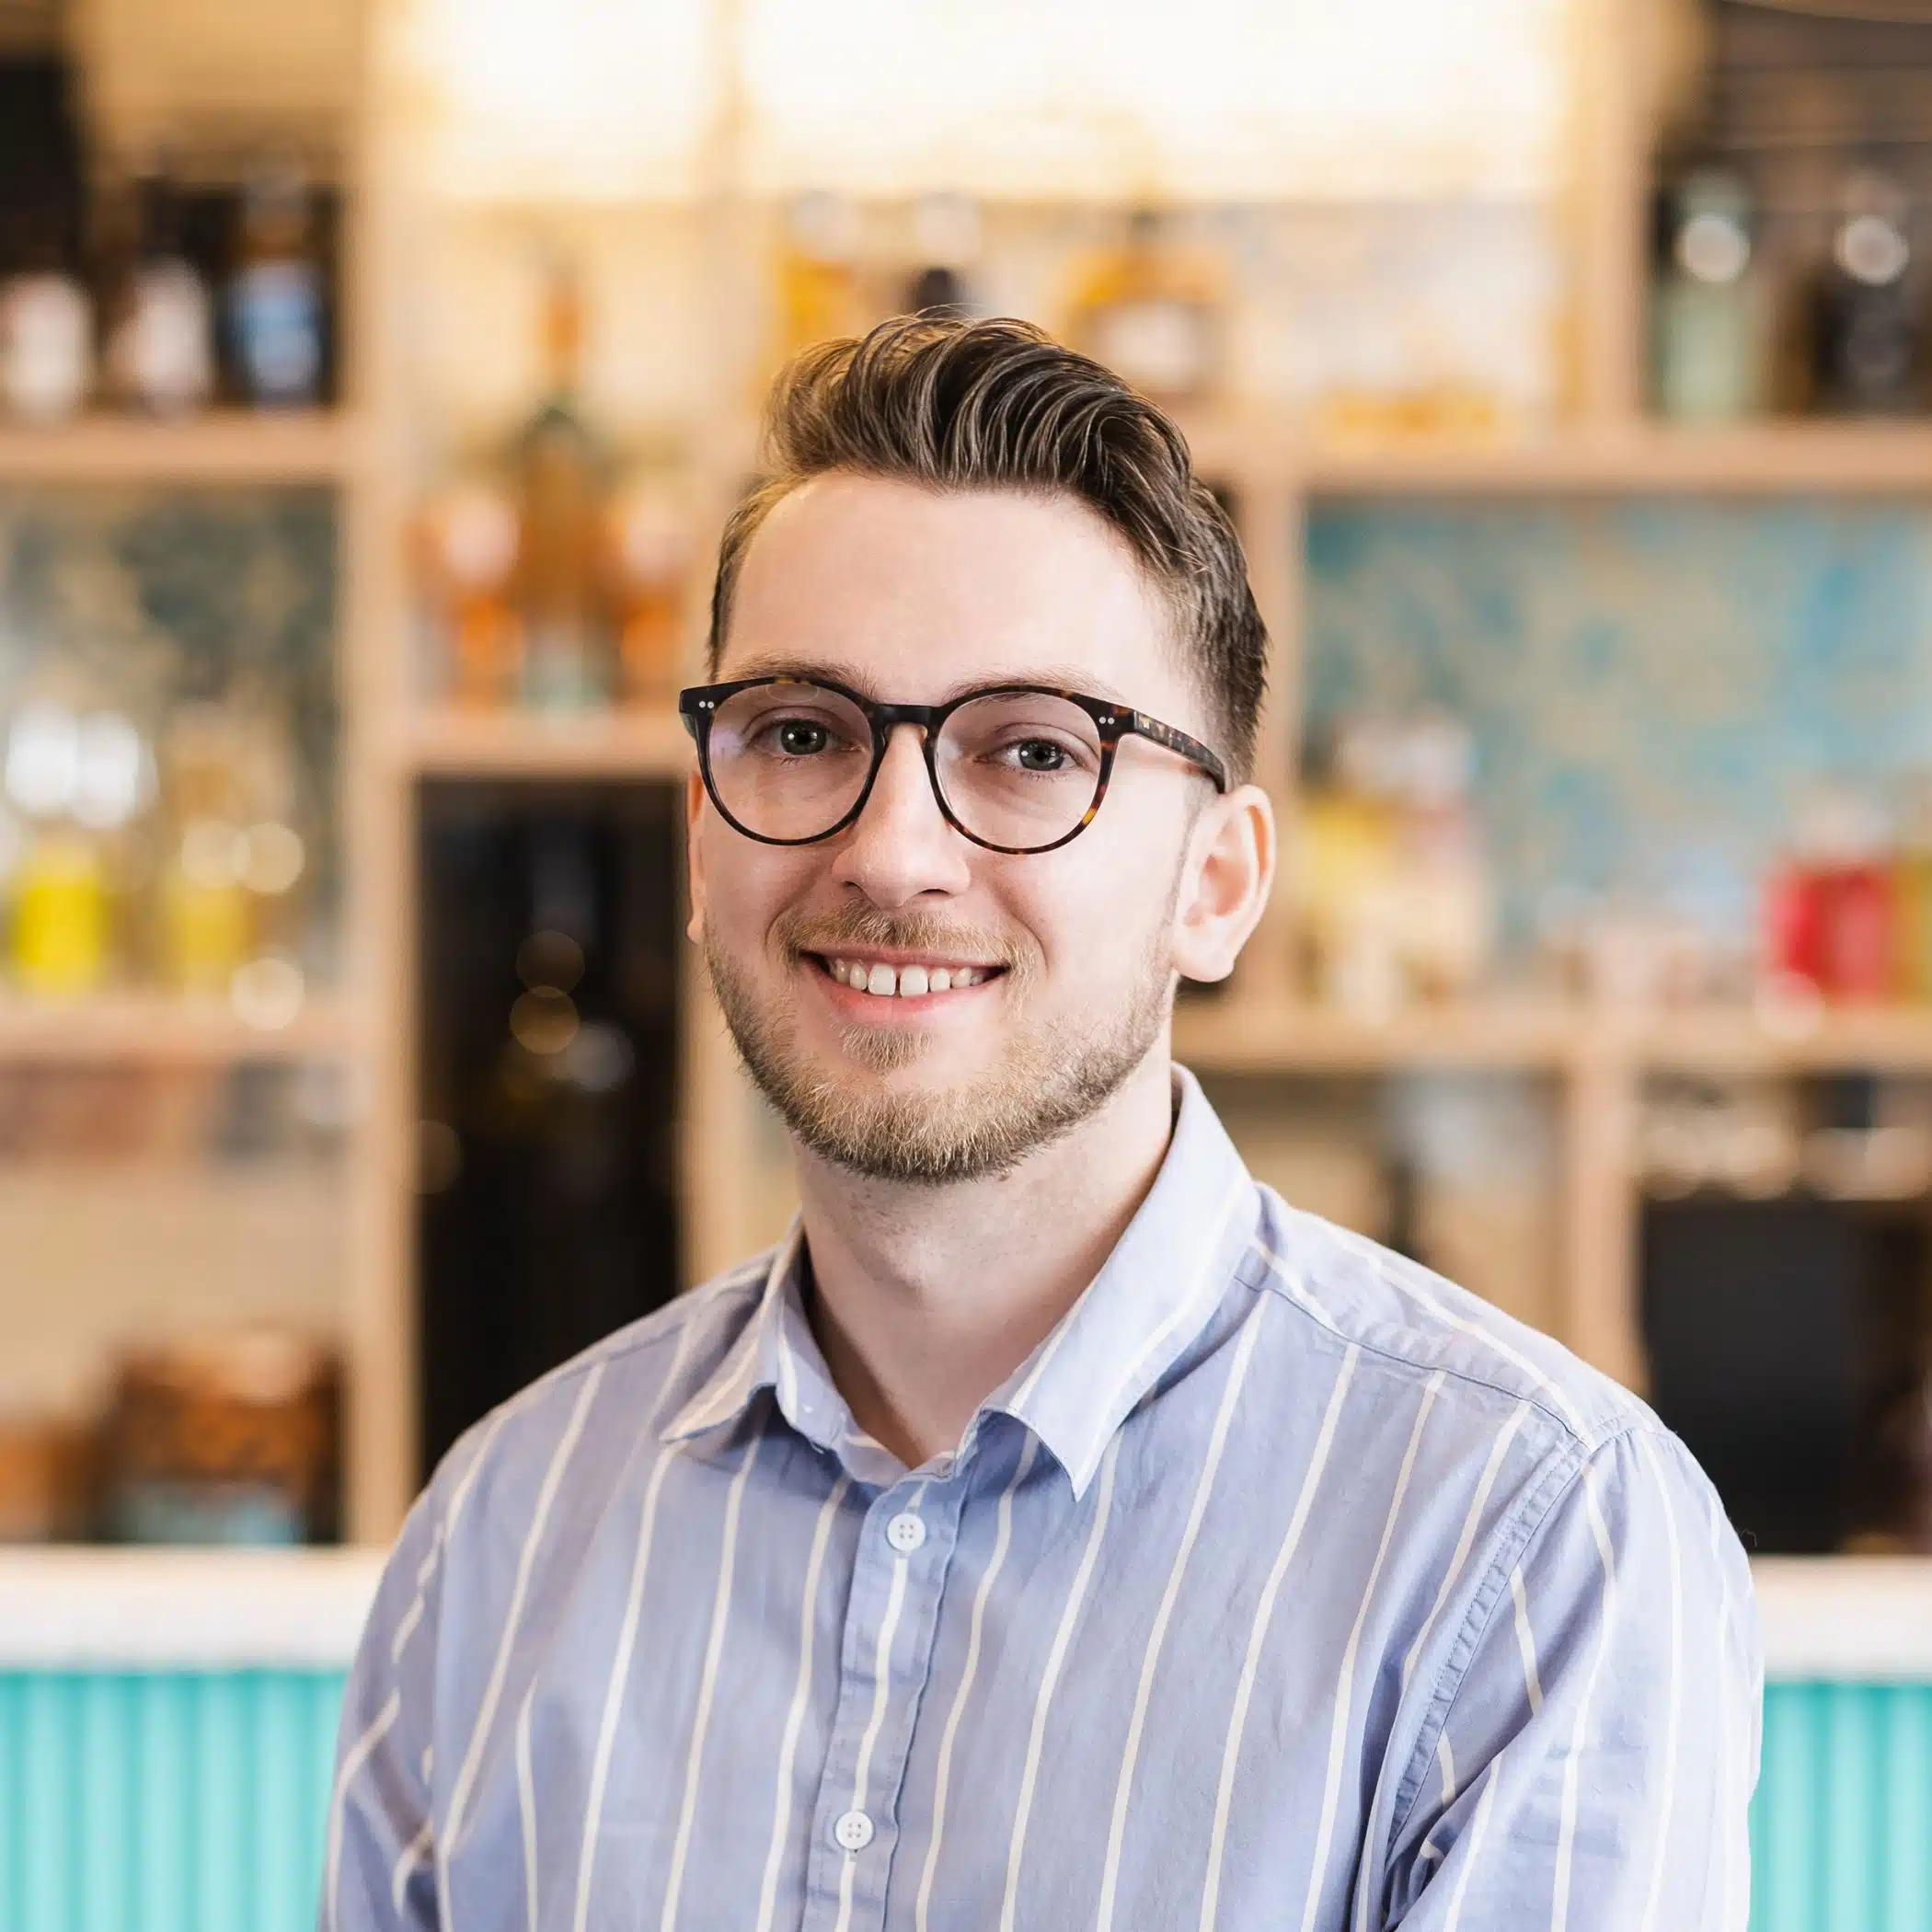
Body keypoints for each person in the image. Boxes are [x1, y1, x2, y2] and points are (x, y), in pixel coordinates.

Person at [326, 316, 1761, 1932]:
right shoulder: (499, 1542)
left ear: (1214, 886)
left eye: (1028, 753)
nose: (893, 851)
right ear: (699, 836)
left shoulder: (1530, 1546)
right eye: (802, 734)